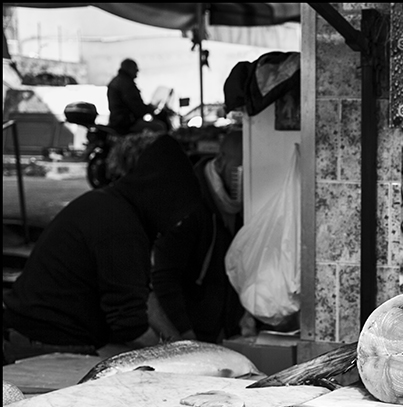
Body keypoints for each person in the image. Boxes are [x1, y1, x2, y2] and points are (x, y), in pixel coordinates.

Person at [3, 135, 202, 362]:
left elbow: (141, 295)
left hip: (56, 333)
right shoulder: (121, 227)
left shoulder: (115, 206)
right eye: (179, 213)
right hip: (46, 341)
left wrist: (179, 344)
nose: (177, 224)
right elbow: (130, 325)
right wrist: (178, 360)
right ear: (164, 197)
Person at [150, 131, 249, 343]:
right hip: (194, 332)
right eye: (241, 169)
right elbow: (165, 277)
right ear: (221, 161)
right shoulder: (188, 206)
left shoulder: (248, 207)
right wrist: (185, 335)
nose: (247, 177)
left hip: (229, 331)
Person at [107, 58, 166, 136]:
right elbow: (135, 104)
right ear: (129, 68)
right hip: (126, 123)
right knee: (159, 127)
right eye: (135, 68)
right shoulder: (126, 84)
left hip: (119, 121)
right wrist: (149, 109)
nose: (137, 71)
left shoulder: (118, 81)